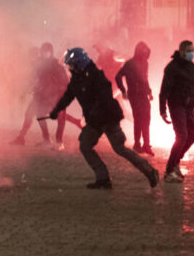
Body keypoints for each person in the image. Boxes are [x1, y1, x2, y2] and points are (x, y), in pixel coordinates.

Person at [49, 48, 159, 189]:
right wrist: (56, 110)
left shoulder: (96, 76)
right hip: (95, 120)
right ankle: (103, 178)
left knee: (119, 148)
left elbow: (104, 98)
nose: (69, 68)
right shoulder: (77, 79)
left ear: (78, 64)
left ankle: (150, 171)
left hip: (108, 118)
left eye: (71, 64)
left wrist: (94, 113)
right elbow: (68, 96)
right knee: (85, 146)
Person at [11, 42, 70, 149]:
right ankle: (45, 139)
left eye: (47, 51)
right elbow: (33, 79)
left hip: (55, 96)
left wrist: (60, 94)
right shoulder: (39, 65)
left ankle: (59, 141)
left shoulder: (55, 65)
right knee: (35, 114)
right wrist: (25, 91)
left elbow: (64, 81)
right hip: (42, 96)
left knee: (61, 116)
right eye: (43, 51)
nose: (45, 54)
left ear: (50, 52)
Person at [159, 40, 194, 183]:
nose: (191, 53)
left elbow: (193, 86)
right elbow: (164, 90)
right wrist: (162, 109)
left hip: (189, 106)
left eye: (192, 50)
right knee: (181, 136)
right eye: (189, 51)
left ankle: (176, 161)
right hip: (176, 105)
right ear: (181, 52)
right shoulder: (172, 68)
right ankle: (169, 170)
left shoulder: (192, 67)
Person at [116, 41, 155, 156]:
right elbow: (118, 76)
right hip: (134, 95)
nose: (145, 56)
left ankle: (146, 145)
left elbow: (145, 78)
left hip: (143, 94)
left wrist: (149, 91)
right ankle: (138, 144)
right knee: (139, 118)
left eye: (146, 54)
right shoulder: (129, 64)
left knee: (146, 118)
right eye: (143, 53)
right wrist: (123, 90)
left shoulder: (145, 63)